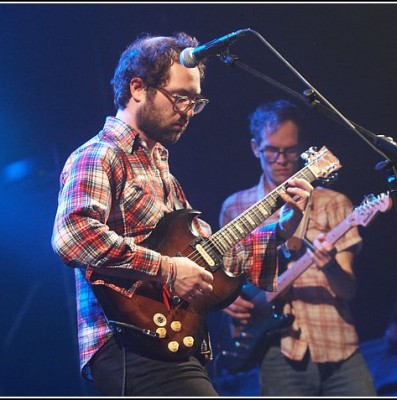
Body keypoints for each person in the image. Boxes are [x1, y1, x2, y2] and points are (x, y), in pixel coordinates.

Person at [51, 33, 313, 396]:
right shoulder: (99, 155)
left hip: (174, 343)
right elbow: (73, 236)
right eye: (180, 97)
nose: (188, 111)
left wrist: (281, 230)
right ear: (138, 88)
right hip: (131, 346)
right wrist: (169, 269)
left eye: (196, 101)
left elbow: (209, 259)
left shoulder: (164, 174)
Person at [216, 99, 377, 396]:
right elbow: (226, 279)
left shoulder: (334, 203)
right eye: (271, 150)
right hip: (277, 350)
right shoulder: (235, 207)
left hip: (338, 343)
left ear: (302, 149)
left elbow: (348, 290)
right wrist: (228, 301)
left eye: (290, 150)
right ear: (255, 148)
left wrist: (328, 264)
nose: (281, 159)